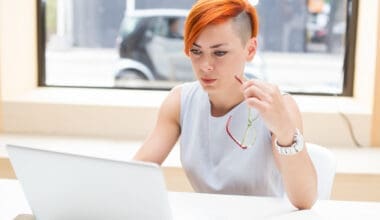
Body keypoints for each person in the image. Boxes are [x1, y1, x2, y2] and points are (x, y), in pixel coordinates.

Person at [134, 0, 317, 209]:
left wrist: (285, 131)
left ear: (250, 49)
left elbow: (305, 200)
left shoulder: (276, 105)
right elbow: (137, 171)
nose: (205, 66)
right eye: (196, 51)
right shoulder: (179, 101)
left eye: (219, 53)